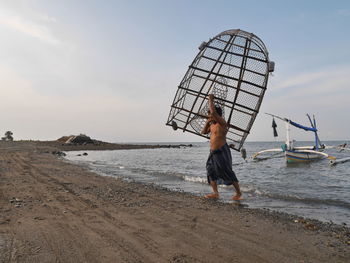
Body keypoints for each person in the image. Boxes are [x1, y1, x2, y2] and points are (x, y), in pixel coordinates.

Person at [201, 94, 242, 200]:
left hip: (222, 151)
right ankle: (216, 193)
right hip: (212, 152)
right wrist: (207, 121)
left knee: (227, 171)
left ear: (216, 115)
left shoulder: (222, 123)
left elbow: (214, 112)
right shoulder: (212, 124)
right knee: (210, 170)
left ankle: (238, 193)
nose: (209, 116)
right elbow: (203, 132)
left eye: (210, 114)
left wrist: (210, 100)